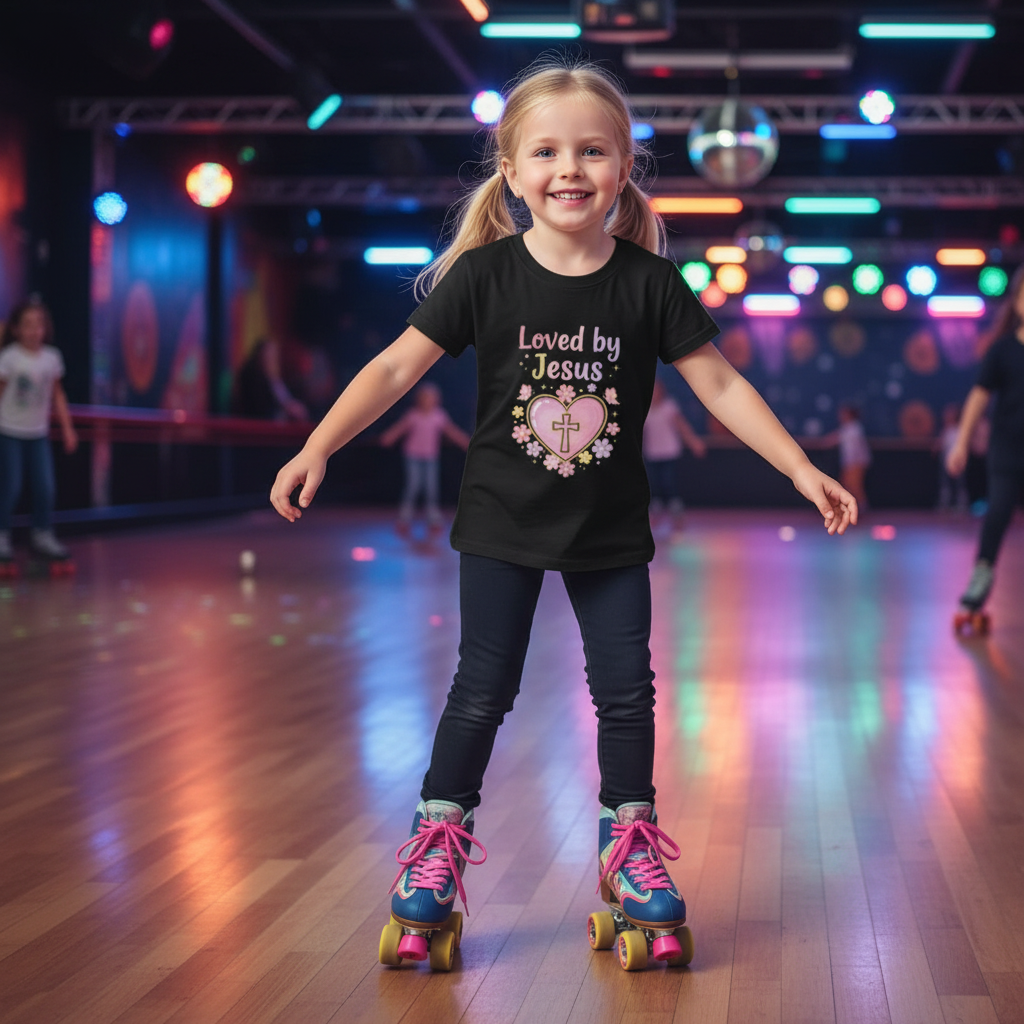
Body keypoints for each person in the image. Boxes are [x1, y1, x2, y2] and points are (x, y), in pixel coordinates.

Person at [270, 57, 857, 968]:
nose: (569, 168)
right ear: (511, 172)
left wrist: (799, 466)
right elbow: (393, 368)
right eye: (546, 152)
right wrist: (320, 445)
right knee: (482, 689)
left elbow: (720, 384)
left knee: (627, 695)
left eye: (592, 150)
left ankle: (628, 850)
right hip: (501, 521)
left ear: (624, 168)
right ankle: (437, 847)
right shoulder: (485, 277)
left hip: (608, 533)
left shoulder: (650, 284)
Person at [946, 264, 1024, 616]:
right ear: (1017, 303)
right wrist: (961, 442)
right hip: (1007, 449)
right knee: (998, 513)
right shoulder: (1003, 350)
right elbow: (978, 397)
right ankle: (981, 578)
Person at [0, 298, 78, 564]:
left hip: (38, 433)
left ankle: (42, 535)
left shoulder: (51, 358)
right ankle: (2, 536)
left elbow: (57, 394)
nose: (34, 331)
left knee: (45, 487)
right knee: (10, 487)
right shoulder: (9, 358)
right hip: (9, 431)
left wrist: (68, 429)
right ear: (16, 329)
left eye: (39, 325)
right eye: (28, 325)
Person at [380, 382, 470, 534]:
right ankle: (404, 519)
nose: (429, 401)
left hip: (430, 457)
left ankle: (433, 520)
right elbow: (400, 428)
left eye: (432, 398)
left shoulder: (439, 415)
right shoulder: (413, 415)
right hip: (413, 456)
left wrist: (466, 442)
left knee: (431, 489)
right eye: (426, 398)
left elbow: (451, 431)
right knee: (413, 486)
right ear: (419, 399)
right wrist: (389, 436)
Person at [643, 378, 706, 529]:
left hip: (669, 453)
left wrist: (694, 442)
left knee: (668, 484)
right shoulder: (645, 409)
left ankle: (676, 515)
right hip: (652, 454)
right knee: (653, 485)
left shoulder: (669, 407)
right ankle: (654, 514)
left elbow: (681, 426)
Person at [231, 338, 308, 421]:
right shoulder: (254, 381)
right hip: (260, 425)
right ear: (260, 356)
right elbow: (260, 412)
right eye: (268, 354)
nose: (272, 357)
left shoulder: (282, 379)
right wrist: (286, 412)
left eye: (274, 353)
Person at [825, 404, 871, 510]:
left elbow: (856, 448)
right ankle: (852, 507)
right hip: (850, 462)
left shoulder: (855, 428)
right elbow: (834, 438)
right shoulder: (847, 428)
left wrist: (854, 464)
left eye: (844, 414)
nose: (841, 416)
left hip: (856, 462)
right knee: (847, 484)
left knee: (855, 485)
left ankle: (862, 509)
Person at [936, 403, 969, 512]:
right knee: (945, 484)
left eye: (950, 414)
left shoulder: (959, 430)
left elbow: (964, 445)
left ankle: (961, 505)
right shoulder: (946, 430)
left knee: (960, 484)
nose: (947, 416)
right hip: (945, 462)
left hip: (958, 461)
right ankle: (945, 505)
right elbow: (940, 445)